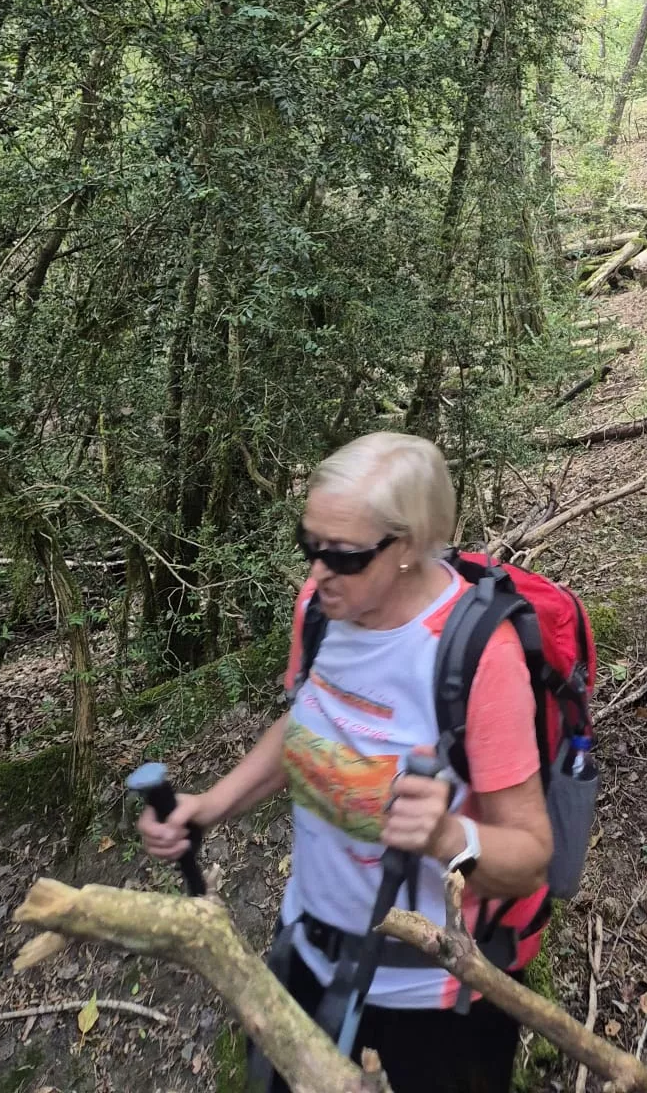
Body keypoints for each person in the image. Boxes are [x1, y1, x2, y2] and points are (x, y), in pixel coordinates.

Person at [137, 432, 552, 1093]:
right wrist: (207, 808)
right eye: (309, 547)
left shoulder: (478, 655)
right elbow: (304, 726)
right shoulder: (323, 611)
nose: (317, 572)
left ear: (410, 546)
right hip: (305, 952)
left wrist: (450, 837)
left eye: (344, 556)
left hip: (432, 998)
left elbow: (531, 854)